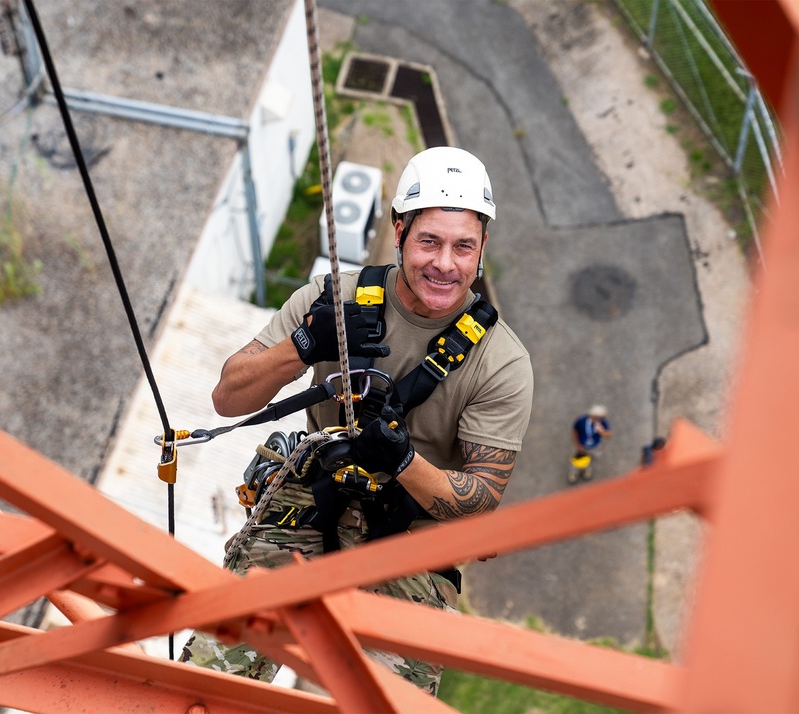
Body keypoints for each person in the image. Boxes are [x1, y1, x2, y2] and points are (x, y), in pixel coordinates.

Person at [180, 146, 534, 695]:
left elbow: (482, 497)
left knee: (383, 704)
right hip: (310, 499)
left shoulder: (501, 363)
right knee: (204, 681)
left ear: (483, 245)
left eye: (464, 246)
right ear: (399, 232)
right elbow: (228, 396)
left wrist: (403, 460)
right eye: (429, 242)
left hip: (409, 540)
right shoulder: (331, 301)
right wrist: (301, 347)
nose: (445, 264)